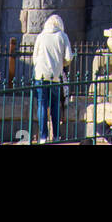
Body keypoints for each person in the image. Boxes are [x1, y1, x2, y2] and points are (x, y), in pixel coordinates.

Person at [32, 14, 72, 144]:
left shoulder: (41, 36)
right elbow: (68, 58)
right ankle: (56, 135)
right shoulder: (62, 36)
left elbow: (35, 57)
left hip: (40, 74)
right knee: (55, 105)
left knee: (42, 105)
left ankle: (43, 136)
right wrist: (61, 64)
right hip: (55, 75)